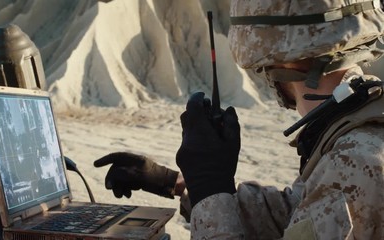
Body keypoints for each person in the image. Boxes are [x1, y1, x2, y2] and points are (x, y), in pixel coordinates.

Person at [95, 0, 384, 238]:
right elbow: (298, 212)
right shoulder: (356, 127)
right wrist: (182, 183)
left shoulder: (356, 159)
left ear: (285, 61)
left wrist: (210, 186)